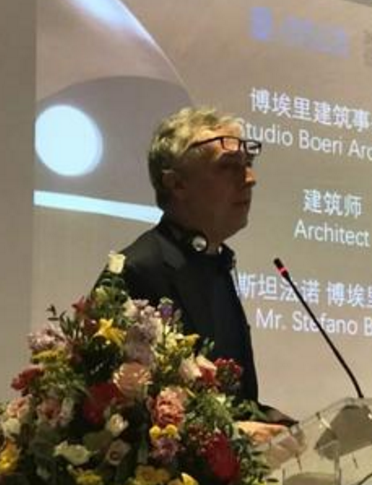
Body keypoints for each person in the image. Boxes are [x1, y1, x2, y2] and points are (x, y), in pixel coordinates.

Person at [118, 106, 293, 444]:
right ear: (177, 184)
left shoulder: (215, 264)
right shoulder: (140, 269)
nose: (250, 178)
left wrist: (290, 428)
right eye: (228, 166)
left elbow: (234, 403)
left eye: (248, 164)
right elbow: (120, 412)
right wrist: (230, 434)